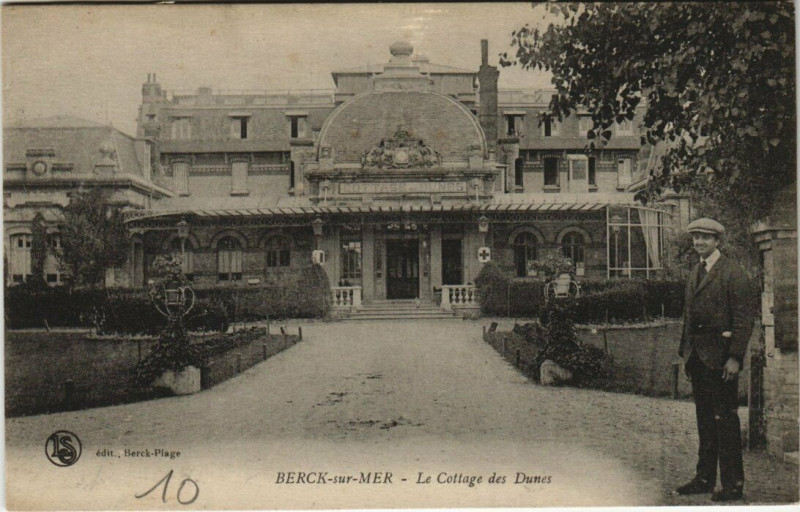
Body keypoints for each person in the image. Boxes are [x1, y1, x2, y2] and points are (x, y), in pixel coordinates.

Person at [676, 217, 755, 502]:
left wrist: (735, 357)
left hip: (721, 360)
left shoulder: (733, 273)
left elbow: (744, 319)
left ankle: (733, 485)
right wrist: (685, 353)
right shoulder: (696, 271)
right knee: (705, 420)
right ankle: (704, 478)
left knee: (725, 419)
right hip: (698, 358)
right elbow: (688, 316)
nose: (699, 242)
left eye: (705, 238)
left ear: (718, 241)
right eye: (696, 237)